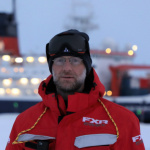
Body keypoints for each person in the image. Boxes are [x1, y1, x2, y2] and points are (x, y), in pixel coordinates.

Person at [6, 29, 145, 150]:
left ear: (87, 66)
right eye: (60, 61)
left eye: (75, 60)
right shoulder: (25, 123)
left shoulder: (122, 121)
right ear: (51, 67)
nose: (67, 68)